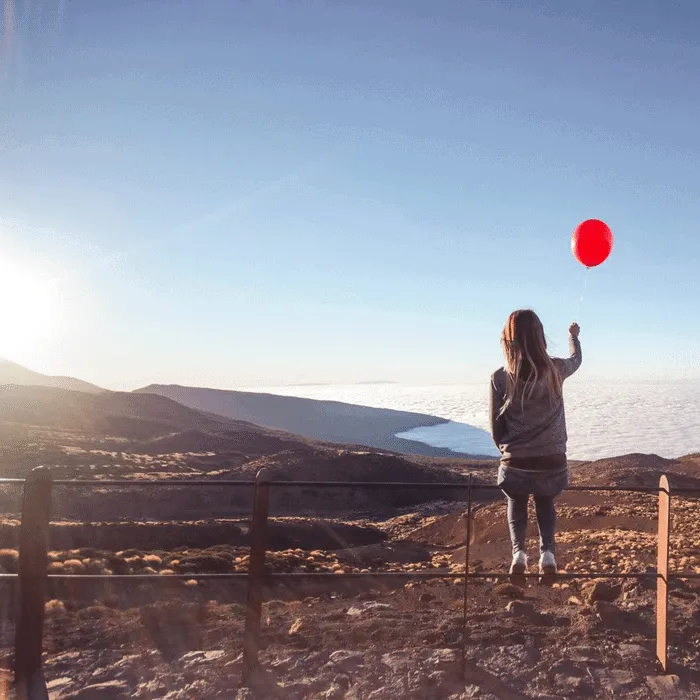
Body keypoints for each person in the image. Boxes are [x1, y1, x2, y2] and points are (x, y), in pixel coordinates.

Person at [489, 309, 582, 585]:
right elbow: (577, 360)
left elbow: (497, 429)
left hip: (516, 462)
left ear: (509, 339)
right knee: (545, 500)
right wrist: (573, 337)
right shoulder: (556, 370)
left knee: (516, 501)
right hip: (553, 461)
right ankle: (548, 556)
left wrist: (509, 453)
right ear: (540, 336)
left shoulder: (500, 377)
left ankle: (519, 556)